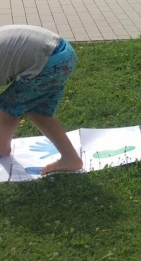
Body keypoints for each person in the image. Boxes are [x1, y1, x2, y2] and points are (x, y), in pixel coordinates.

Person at [0, 25, 83, 175]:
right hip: (64, 54)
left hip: (47, 62)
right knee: (38, 111)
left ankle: (2, 150)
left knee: (6, 108)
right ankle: (71, 159)